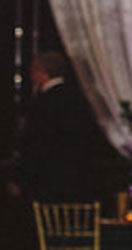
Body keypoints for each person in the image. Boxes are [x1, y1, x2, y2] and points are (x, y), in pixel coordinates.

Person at [18, 50, 100, 205]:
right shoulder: (79, 98)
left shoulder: (42, 103)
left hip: (47, 179)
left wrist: (22, 178)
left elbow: (36, 144)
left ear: (40, 73)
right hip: (79, 176)